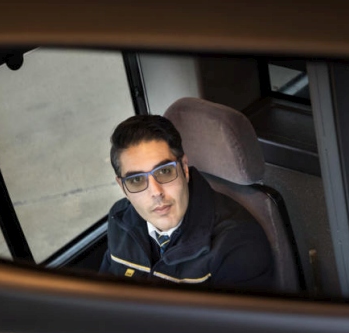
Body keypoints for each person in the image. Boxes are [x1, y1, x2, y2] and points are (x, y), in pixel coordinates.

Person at [99, 114, 274, 290]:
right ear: (122, 187)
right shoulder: (119, 220)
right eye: (136, 180)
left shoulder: (237, 242)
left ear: (184, 168)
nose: (156, 192)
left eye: (165, 171)